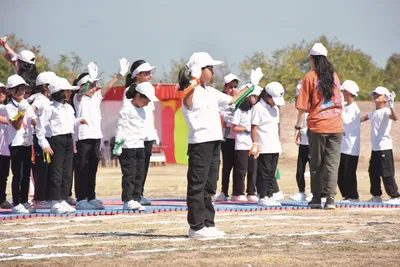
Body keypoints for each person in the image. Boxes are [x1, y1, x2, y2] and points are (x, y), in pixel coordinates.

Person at [178, 52, 262, 238]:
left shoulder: (210, 91)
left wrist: (251, 85)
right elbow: (186, 99)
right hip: (200, 144)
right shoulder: (189, 90)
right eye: (210, 68)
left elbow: (232, 100)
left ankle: (208, 223)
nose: (213, 71)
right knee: (197, 185)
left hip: (215, 141)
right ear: (199, 70)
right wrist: (193, 79)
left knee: (209, 185)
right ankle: (196, 226)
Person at [73, 59, 129, 210]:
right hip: (84, 138)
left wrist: (120, 75)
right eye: (91, 85)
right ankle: (80, 199)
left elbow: (109, 86)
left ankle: (91, 197)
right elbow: (80, 92)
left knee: (92, 168)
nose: (93, 87)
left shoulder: (96, 97)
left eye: (94, 85)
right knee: (82, 168)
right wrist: (87, 81)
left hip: (96, 136)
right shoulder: (79, 99)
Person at [295, 43, 342, 210]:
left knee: (316, 164)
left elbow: (302, 106)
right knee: (332, 164)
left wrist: (297, 127)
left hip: (317, 126)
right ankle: (330, 200)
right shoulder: (335, 77)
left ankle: (316, 199)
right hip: (336, 126)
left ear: (312, 59)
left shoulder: (309, 77)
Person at [36, 77, 87, 214]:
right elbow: (40, 128)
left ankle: (63, 199)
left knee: (67, 172)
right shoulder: (49, 108)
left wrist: (78, 120)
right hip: (56, 141)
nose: (70, 93)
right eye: (67, 91)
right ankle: (54, 200)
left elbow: (69, 122)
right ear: (59, 92)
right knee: (56, 172)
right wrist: (44, 144)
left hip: (68, 140)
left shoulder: (68, 107)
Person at [114, 82, 158, 211]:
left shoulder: (143, 110)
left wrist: (152, 135)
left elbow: (144, 127)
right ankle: (128, 200)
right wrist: (118, 144)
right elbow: (120, 126)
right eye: (146, 100)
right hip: (128, 146)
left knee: (139, 173)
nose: (147, 103)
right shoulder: (126, 108)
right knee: (129, 174)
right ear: (138, 96)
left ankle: (137, 198)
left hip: (140, 145)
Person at [122, 60, 157, 206]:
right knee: (133, 169)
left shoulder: (148, 89)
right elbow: (126, 114)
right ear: (138, 74)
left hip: (147, 133)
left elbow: (152, 113)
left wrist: (154, 132)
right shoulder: (130, 91)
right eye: (147, 73)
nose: (150, 75)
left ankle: (139, 193)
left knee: (144, 166)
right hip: (135, 135)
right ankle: (132, 196)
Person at [361, 87, 400, 204]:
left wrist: (391, 105)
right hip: (375, 148)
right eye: (374, 94)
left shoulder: (387, 111)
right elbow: (362, 118)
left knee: (387, 173)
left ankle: (395, 196)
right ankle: (376, 196)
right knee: (373, 172)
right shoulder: (373, 113)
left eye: (379, 95)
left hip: (385, 147)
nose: (375, 96)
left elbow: (396, 117)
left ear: (385, 98)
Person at [4, 75, 37, 214]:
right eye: (17, 89)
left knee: (26, 174)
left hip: (27, 142)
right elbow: (16, 125)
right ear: (10, 91)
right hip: (16, 143)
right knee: (18, 174)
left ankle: (24, 201)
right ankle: (17, 203)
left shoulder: (26, 103)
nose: (21, 91)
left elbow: (35, 122)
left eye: (23, 88)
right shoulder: (9, 107)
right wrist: (21, 113)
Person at [250, 82, 285, 206]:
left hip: (274, 145)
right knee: (264, 172)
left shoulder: (275, 108)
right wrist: (254, 143)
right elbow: (254, 127)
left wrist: (278, 141)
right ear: (267, 95)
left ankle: (270, 195)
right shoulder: (258, 108)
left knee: (272, 172)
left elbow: (276, 126)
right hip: (263, 146)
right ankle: (263, 195)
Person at [30, 72, 57, 209]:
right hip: (41, 138)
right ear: (45, 86)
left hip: (49, 137)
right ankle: (39, 199)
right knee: (42, 168)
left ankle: (47, 196)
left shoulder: (49, 99)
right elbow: (31, 110)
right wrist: (36, 123)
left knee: (49, 168)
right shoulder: (40, 99)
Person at [215, 73, 239, 202]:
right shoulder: (221, 100)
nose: (233, 90)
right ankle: (224, 191)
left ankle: (237, 192)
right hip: (227, 138)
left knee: (239, 166)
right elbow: (220, 118)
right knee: (227, 166)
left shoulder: (240, 100)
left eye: (235, 87)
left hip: (240, 139)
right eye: (230, 87)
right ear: (225, 87)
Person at [338, 80, 361, 202]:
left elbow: (345, 121)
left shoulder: (353, 108)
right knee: (340, 173)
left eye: (342, 91)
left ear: (347, 92)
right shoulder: (346, 107)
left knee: (349, 173)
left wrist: (338, 107)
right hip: (343, 146)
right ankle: (346, 195)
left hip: (351, 147)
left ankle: (353, 196)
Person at [231, 96, 257, 202]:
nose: (255, 99)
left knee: (252, 169)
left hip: (252, 145)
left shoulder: (254, 111)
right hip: (241, 144)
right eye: (253, 97)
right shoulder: (239, 111)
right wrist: (244, 129)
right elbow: (234, 127)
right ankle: (238, 193)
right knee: (241, 169)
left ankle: (251, 192)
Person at [290, 81, 311, 201]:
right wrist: (297, 132)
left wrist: (303, 131)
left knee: (314, 169)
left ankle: (315, 192)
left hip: (312, 145)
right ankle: (301, 191)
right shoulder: (302, 114)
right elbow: (300, 125)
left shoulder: (312, 113)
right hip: (303, 145)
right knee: (300, 169)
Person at [0, 82, 12, 209]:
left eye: (3, 91)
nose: (2, 94)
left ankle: (2, 198)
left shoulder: (6, 107)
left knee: (4, 175)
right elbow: (8, 121)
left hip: (5, 148)